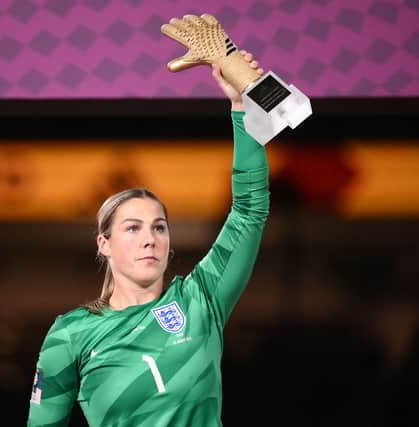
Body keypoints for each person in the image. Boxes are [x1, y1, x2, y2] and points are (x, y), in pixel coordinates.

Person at [27, 50, 270, 427]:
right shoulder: (70, 334)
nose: (149, 238)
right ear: (103, 245)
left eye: (159, 227)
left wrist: (242, 108)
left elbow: (250, 210)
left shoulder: (200, 301)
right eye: (132, 227)